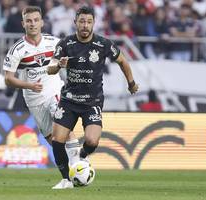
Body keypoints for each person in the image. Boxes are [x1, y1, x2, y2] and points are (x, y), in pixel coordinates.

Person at [47, 6, 139, 189]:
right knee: (57, 141)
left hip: (92, 102)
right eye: (82, 21)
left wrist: (131, 83)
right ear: (75, 23)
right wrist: (59, 66)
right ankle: (66, 179)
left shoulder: (103, 44)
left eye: (89, 22)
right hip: (69, 100)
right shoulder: (65, 44)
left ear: (94, 23)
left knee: (92, 141)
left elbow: (123, 61)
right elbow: (50, 68)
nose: (85, 25)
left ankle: (81, 156)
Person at [3, 6, 80, 171]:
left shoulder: (53, 42)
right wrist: (28, 85)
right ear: (23, 24)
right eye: (29, 21)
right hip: (34, 100)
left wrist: (62, 64)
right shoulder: (17, 50)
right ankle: (68, 177)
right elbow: (8, 79)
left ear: (42, 22)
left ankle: (80, 165)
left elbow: (65, 62)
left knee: (62, 123)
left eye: (36, 20)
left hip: (54, 91)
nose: (33, 24)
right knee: (53, 140)